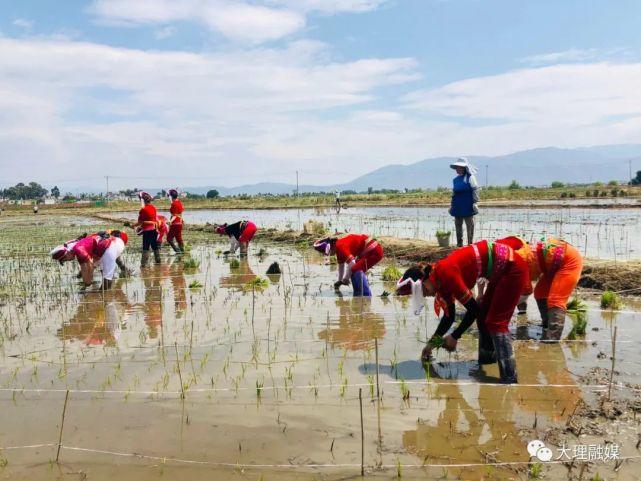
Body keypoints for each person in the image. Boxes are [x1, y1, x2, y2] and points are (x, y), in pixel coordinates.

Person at [396, 239, 528, 384]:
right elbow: (449, 316)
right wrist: (430, 345)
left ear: (424, 280)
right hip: (499, 272)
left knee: (496, 323)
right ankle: (488, 362)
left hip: (512, 268)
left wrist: (455, 336)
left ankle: (510, 379)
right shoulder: (439, 281)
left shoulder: (446, 273)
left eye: (423, 291)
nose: (426, 295)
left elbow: (473, 310)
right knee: (484, 317)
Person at [496, 236, 583, 340]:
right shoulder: (510, 259)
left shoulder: (519, 261)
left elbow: (525, 291)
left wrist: (504, 309)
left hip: (569, 262)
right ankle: (547, 325)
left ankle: (553, 338)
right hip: (551, 267)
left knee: (556, 299)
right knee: (540, 293)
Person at [50, 230, 129, 290]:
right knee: (103, 272)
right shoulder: (70, 245)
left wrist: (87, 283)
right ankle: (125, 272)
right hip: (110, 244)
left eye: (64, 260)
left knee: (106, 279)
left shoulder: (79, 250)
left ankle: (106, 300)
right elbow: (89, 265)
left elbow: (90, 265)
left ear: (66, 254)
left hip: (111, 246)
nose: (67, 261)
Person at [313, 234, 384, 297]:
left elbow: (352, 263)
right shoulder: (338, 248)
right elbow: (341, 266)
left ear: (330, 247)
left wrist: (346, 278)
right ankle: (358, 294)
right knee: (354, 270)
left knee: (356, 269)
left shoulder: (340, 246)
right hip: (370, 251)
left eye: (325, 252)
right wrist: (340, 281)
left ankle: (366, 295)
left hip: (374, 251)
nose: (328, 254)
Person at [449, 157, 479, 247]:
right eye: (457, 167)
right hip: (457, 205)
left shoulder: (470, 177)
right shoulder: (455, 180)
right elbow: (454, 194)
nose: (457, 169)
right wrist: (451, 205)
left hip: (467, 205)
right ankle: (459, 244)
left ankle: (470, 244)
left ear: (464, 168)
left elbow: (475, 190)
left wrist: (475, 202)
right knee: (458, 225)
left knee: (469, 225)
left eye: (459, 167)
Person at [131, 192, 160, 266]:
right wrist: (141, 225)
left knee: (145, 248)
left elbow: (140, 222)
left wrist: (133, 225)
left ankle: (143, 266)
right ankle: (158, 261)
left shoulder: (143, 210)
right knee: (154, 246)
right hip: (154, 230)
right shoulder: (153, 208)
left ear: (142, 200)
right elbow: (151, 220)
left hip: (147, 232)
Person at [166, 189, 185, 253]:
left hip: (175, 223)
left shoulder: (174, 204)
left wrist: (170, 221)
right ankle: (182, 251)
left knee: (169, 239)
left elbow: (174, 215)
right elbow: (178, 213)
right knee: (179, 238)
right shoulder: (179, 202)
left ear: (171, 196)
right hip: (179, 222)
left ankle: (177, 251)